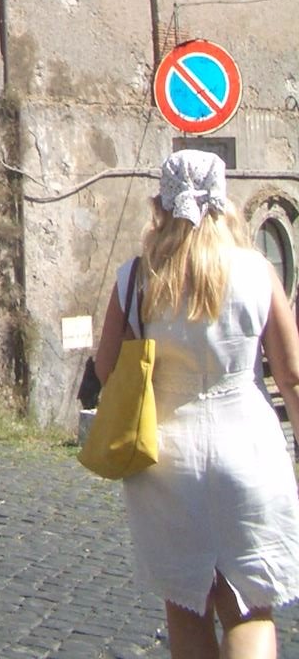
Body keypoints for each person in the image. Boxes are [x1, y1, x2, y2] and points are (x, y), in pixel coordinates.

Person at [95, 150, 299, 658]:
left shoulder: (136, 278)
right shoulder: (256, 271)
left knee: (188, 612)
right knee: (250, 611)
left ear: (160, 203)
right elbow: (292, 376)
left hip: (168, 459)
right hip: (248, 448)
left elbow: (105, 370)